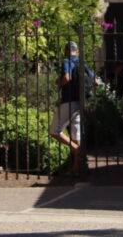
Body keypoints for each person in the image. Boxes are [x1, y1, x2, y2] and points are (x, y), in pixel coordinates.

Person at [49, 41, 86, 175]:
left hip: (68, 101)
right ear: (77, 51)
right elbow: (94, 80)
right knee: (76, 133)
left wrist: (59, 82)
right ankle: (77, 168)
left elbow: (67, 77)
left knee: (54, 131)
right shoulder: (82, 63)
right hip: (80, 103)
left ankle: (75, 148)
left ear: (66, 51)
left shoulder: (67, 61)